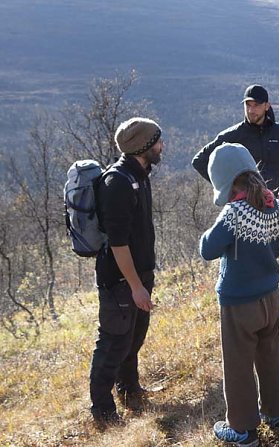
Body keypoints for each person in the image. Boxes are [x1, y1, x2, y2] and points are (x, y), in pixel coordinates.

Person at [199, 143, 279, 447]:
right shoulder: (277, 206)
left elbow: (207, 249)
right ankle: (278, 415)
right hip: (271, 298)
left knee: (238, 366)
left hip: (238, 304)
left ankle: (242, 430)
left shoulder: (234, 214)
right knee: (271, 356)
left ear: (225, 182)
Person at [192, 84, 279, 306]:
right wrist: (226, 188)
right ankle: (256, 302)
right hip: (244, 212)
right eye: (247, 105)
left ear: (267, 106)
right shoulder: (233, 135)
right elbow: (200, 161)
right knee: (248, 266)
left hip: (273, 207)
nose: (251, 110)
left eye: (256, 105)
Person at [89, 117, 164, 425]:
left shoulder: (139, 174)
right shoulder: (117, 183)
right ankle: (103, 411)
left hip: (139, 275)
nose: (162, 145)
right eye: (158, 140)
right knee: (113, 342)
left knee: (133, 337)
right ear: (144, 146)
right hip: (120, 281)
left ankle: (129, 389)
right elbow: (118, 244)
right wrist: (135, 287)